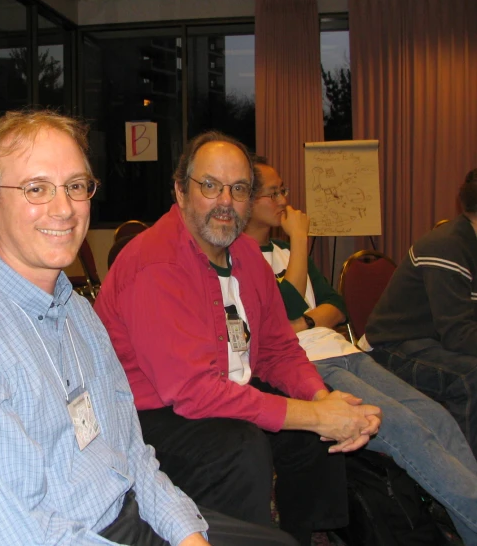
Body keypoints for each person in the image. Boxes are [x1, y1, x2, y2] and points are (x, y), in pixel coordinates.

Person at [0, 110, 296, 546]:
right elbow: (19, 536)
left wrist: (185, 535)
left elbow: (133, 455)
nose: (64, 208)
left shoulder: (76, 311)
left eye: (75, 186)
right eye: (36, 188)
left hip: (119, 513)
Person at [94, 131, 381, 545]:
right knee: (240, 448)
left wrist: (319, 400)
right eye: (210, 186)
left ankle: (304, 535)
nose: (225, 201)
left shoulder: (246, 254)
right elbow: (194, 392)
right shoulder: (155, 263)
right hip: (146, 415)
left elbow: (280, 349)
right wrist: (314, 415)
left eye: (239, 189)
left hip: (220, 389)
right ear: (180, 191)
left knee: (309, 431)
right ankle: (244, 538)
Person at [244, 158, 477, 545]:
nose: (286, 200)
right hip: (303, 364)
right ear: (248, 201)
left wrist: (304, 319)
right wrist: (301, 245)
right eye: (275, 192)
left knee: (435, 418)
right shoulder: (243, 257)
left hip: (342, 349)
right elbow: (280, 310)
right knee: (405, 428)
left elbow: (337, 304)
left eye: (284, 189)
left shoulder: (285, 253)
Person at [363, 168, 477, 458]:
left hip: (435, 343)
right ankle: (463, 484)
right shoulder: (447, 246)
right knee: (470, 378)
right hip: (394, 347)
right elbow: (459, 334)